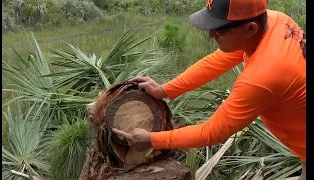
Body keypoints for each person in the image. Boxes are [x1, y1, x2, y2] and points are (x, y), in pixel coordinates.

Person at [112, 0, 306, 179]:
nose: (210, 35)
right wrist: (165, 90)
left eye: (219, 30)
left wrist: (152, 139)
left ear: (250, 29)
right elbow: (216, 62)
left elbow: (211, 132)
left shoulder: (264, 76)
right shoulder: (274, 21)